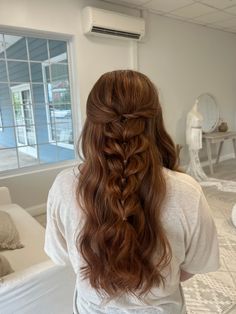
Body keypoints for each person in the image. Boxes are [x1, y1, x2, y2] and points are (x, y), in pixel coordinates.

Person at [45, 70, 219, 314]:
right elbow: (190, 268)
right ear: (155, 121)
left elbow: (64, 256)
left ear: (92, 123)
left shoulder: (64, 187)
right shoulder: (187, 191)